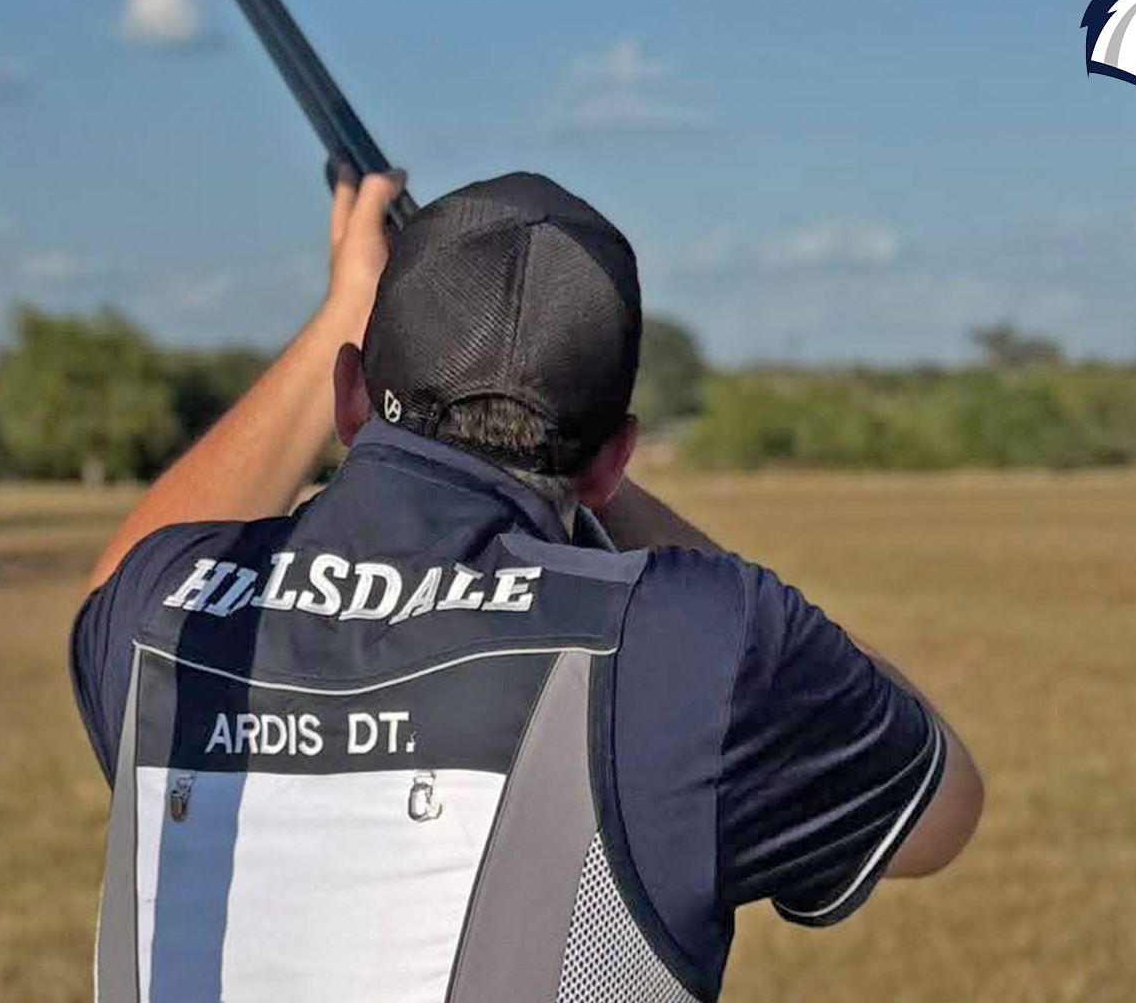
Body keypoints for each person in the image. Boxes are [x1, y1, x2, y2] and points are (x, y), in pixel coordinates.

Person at [70, 169, 984, 1003]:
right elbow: (939, 805)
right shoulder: (695, 640)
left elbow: (125, 577)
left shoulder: (163, 615)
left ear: (349, 392)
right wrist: (610, 502)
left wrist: (343, 308)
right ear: (615, 458)